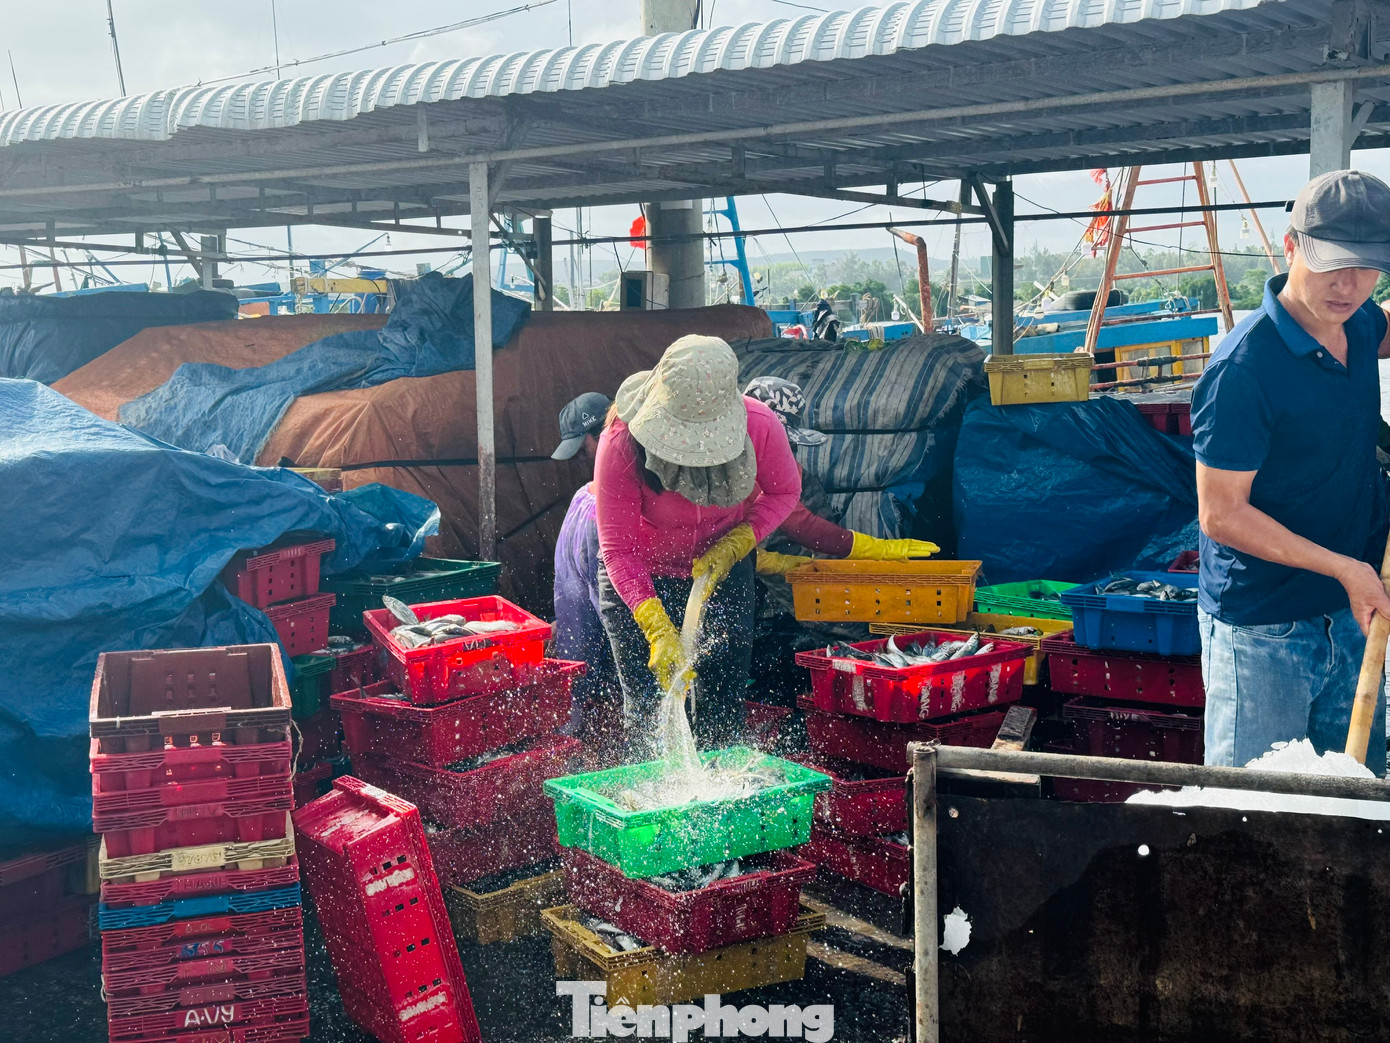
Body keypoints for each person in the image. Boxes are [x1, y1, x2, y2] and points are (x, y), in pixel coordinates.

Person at [1192, 169, 1390, 775]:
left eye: (1368, 265)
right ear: (1290, 245)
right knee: (1257, 822)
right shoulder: (1243, 370)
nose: (1348, 284)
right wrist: (1346, 569)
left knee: (1354, 811)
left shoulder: (1358, 321)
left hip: (1354, 615)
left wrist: (1352, 580)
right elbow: (1221, 515)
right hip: (1265, 630)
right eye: (1332, 262)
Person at [593, 336, 801, 757]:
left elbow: (784, 492)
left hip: (722, 572)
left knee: (721, 709)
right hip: (639, 579)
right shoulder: (620, 441)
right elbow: (617, 550)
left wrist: (740, 540)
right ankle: (654, 811)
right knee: (651, 712)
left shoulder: (760, 425)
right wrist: (653, 622)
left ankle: (717, 808)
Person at [550, 392, 621, 760]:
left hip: (579, 672)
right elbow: (610, 607)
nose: (581, 458)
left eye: (583, 448)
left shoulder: (583, 496)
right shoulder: (593, 506)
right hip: (590, 663)